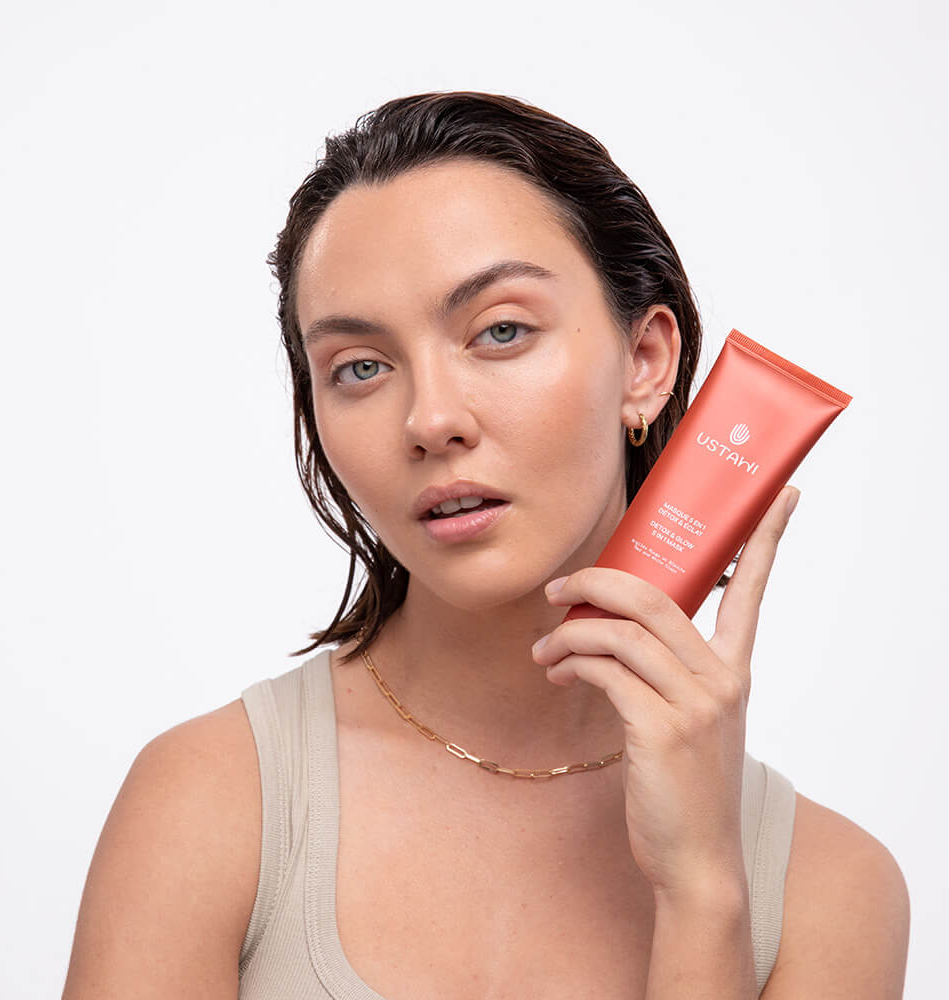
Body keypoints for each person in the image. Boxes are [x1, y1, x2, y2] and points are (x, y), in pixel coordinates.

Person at [60, 91, 910, 999]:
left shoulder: (830, 889)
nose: (431, 420)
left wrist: (701, 889)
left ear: (645, 363)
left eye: (501, 331)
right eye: (360, 367)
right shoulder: (210, 804)